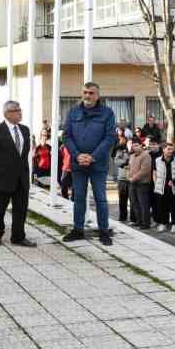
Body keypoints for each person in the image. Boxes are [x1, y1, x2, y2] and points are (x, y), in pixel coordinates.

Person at [61, 82, 118, 246]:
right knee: (78, 197)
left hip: (98, 164)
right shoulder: (73, 112)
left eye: (91, 93)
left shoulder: (107, 113)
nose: (87, 95)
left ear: (97, 96)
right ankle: (78, 230)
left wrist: (93, 157)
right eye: (85, 92)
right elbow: (66, 136)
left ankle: (104, 231)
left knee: (101, 199)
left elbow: (109, 137)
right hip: (78, 164)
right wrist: (78, 155)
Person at [0, 100, 36, 247]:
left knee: (21, 209)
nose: (20, 112)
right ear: (7, 113)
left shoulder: (25, 130)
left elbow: (23, 154)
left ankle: (18, 237)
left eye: (20, 109)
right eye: (17, 110)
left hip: (21, 178)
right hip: (2, 178)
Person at [126, 137, 154, 229]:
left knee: (143, 204)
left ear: (141, 145)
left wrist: (133, 178)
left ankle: (146, 223)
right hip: (132, 183)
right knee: (134, 203)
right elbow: (129, 168)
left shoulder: (146, 155)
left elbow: (145, 170)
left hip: (142, 184)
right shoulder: (132, 156)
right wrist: (129, 177)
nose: (135, 147)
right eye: (133, 146)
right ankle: (139, 221)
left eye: (137, 145)